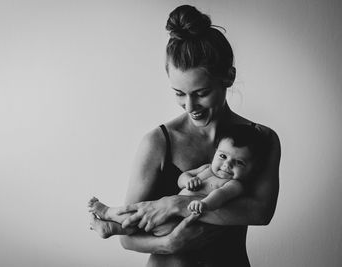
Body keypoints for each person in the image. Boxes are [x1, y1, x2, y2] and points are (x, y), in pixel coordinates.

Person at [89, 4, 280, 267]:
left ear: (229, 77)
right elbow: (128, 237)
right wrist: (168, 244)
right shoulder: (158, 142)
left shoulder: (261, 140)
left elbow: (260, 212)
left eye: (201, 92)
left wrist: (177, 204)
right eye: (179, 93)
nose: (190, 107)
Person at [88, 124, 267, 237]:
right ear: (215, 153)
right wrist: (187, 180)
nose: (227, 165)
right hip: (165, 213)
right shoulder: (205, 169)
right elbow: (181, 177)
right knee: (138, 215)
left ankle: (110, 216)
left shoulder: (234, 184)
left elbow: (220, 196)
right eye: (222, 156)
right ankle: (111, 222)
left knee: (140, 220)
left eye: (239, 163)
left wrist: (204, 205)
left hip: (179, 224)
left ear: (250, 169)